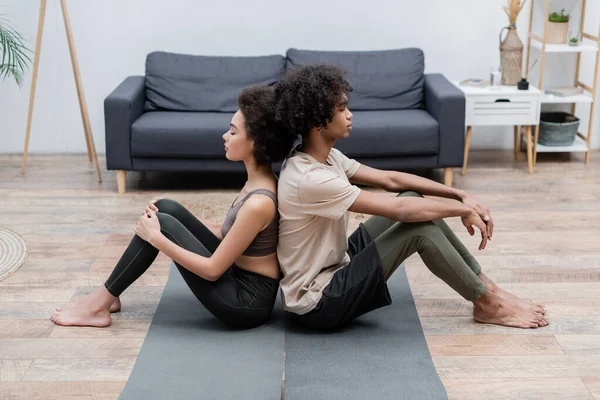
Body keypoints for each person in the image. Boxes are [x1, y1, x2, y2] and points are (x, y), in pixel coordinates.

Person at [273, 64, 549, 330]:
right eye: (341, 109)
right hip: (319, 301)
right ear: (317, 123)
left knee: (413, 195)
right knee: (418, 228)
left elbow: (391, 180)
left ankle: (487, 287)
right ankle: (488, 303)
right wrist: (460, 211)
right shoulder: (310, 179)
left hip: (336, 262)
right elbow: (398, 210)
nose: (350, 115)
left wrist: (459, 193)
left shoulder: (324, 156)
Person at [51, 85, 296, 329]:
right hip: (237, 275)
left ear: (256, 143)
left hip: (245, 303)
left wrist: (158, 239)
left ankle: (98, 306)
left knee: (163, 226)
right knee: (166, 209)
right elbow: (228, 234)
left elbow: (212, 271)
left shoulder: (259, 202)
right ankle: (109, 295)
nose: (225, 136)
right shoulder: (258, 181)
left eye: (232, 132)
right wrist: (175, 217)